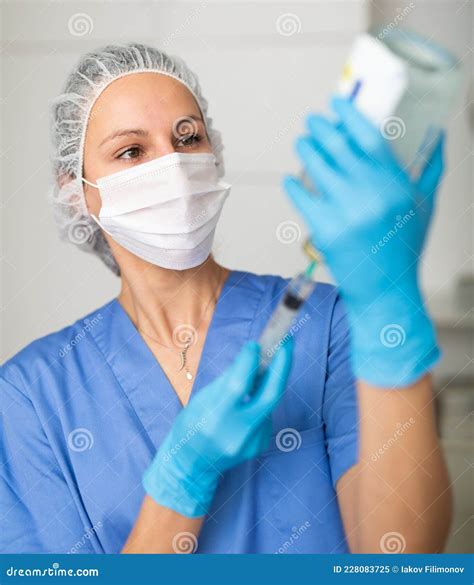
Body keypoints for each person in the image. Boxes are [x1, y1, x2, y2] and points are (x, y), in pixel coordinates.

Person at [0, 43, 452, 554]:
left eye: (187, 137)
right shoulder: (31, 395)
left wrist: (387, 305)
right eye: (132, 151)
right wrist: (180, 482)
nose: (171, 165)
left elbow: (401, 555)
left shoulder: (331, 326)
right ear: (77, 191)